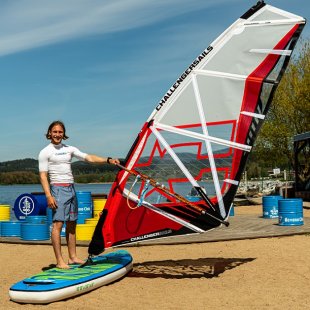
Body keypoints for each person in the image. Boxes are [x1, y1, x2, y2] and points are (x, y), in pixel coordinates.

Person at [38, 120, 120, 269]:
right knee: (57, 225)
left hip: (71, 189)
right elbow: (43, 176)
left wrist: (107, 160)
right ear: (49, 133)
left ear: (64, 134)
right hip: (57, 189)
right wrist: (49, 196)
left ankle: (73, 257)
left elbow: (88, 158)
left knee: (72, 224)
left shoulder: (70, 148)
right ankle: (59, 261)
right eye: (55, 132)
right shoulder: (45, 152)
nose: (57, 134)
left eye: (60, 132)